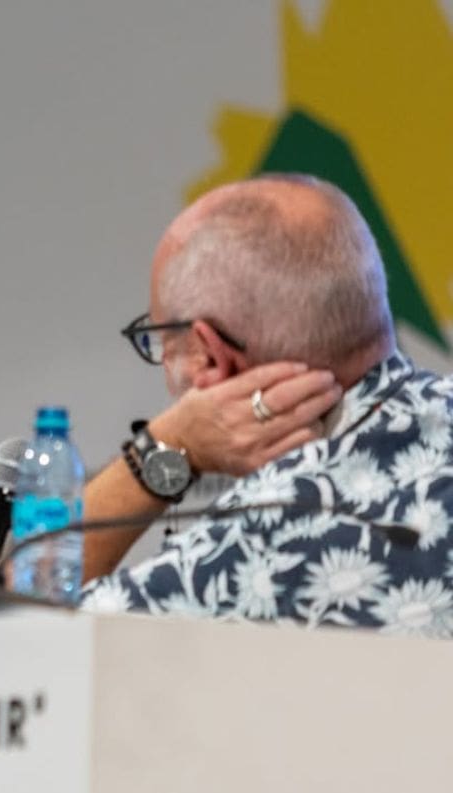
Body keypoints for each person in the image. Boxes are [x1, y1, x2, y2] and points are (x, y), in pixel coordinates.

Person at [79, 174, 453, 636]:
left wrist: (166, 445)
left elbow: (12, 636)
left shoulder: (253, 547)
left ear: (210, 355)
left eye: (159, 340)